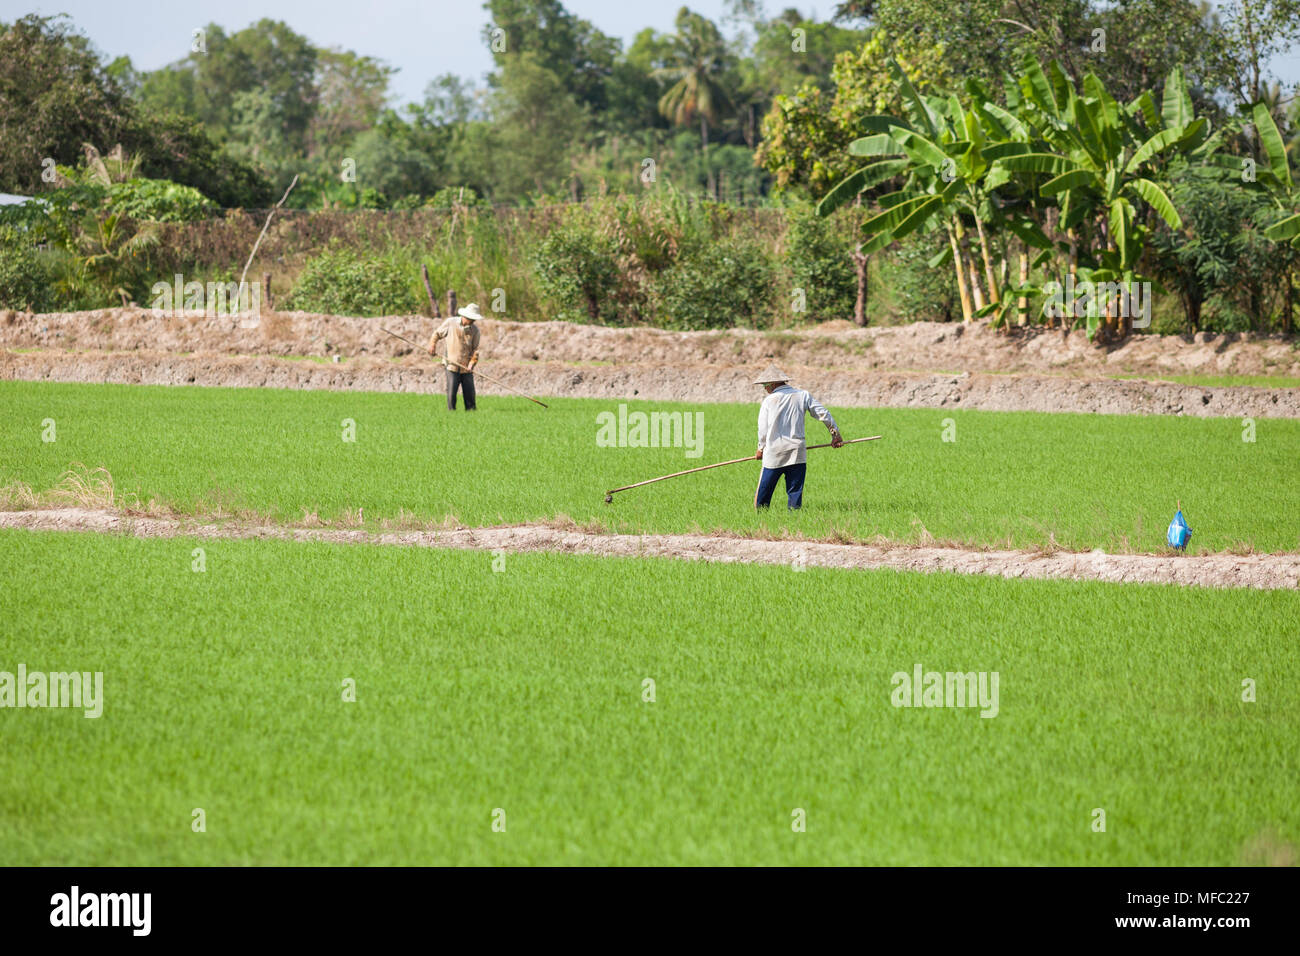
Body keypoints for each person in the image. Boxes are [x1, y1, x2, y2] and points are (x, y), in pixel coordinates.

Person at [752, 364, 843, 510]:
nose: (764, 388)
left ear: (774, 384)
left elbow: (763, 429)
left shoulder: (769, 401)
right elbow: (823, 414)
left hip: (774, 452)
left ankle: (760, 522)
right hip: (797, 451)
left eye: (765, 385)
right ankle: (794, 520)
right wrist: (835, 435)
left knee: (764, 493)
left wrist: (760, 449)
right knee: (795, 492)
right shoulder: (803, 395)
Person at [428, 303, 483, 411]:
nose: (472, 322)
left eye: (473, 320)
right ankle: (452, 414)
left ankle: (471, 414)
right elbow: (437, 334)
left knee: (470, 394)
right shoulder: (451, 323)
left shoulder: (475, 331)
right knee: (451, 392)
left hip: (466, 368)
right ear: (465, 316)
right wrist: (432, 345)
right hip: (451, 365)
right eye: (470, 319)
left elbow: (475, 350)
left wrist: (472, 363)